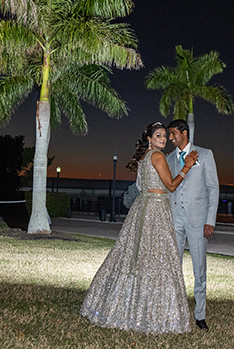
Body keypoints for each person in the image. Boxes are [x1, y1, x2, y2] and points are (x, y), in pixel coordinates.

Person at [80, 122, 199, 334]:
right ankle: (155, 315)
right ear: (150, 139)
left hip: (143, 208)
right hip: (156, 210)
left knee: (133, 256)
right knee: (158, 259)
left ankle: (121, 308)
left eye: (164, 136)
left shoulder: (144, 158)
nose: (163, 139)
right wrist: (187, 166)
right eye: (159, 136)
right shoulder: (157, 156)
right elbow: (170, 186)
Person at [166, 119, 220, 331]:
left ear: (184, 133)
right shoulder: (169, 158)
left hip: (198, 221)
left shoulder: (205, 154)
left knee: (199, 269)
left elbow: (213, 189)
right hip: (174, 219)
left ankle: (200, 315)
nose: (170, 138)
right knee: (174, 268)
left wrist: (210, 220)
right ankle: (176, 311)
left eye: (173, 134)